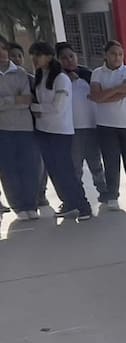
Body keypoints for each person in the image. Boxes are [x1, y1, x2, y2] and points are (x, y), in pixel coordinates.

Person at [29, 42, 92, 220]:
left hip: (60, 132)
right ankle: (69, 202)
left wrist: (33, 106)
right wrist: (38, 109)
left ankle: (83, 206)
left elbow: (58, 106)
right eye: (33, 55)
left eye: (37, 55)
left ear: (48, 56)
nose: (34, 59)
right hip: (43, 130)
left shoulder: (61, 78)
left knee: (66, 171)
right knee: (54, 171)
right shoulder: (40, 75)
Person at [90, 40, 126, 208]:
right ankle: (112, 196)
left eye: (120, 54)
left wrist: (105, 95)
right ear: (106, 55)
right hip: (105, 125)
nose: (117, 57)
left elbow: (124, 91)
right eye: (113, 54)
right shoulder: (97, 73)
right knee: (110, 161)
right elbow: (96, 95)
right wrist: (115, 91)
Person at [56, 42, 110, 205]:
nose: (69, 60)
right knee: (75, 167)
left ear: (76, 56)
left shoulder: (88, 75)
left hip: (92, 127)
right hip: (72, 129)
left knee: (96, 163)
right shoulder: (58, 78)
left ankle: (104, 191)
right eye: (64, 58)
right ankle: (79, 197)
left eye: (71, 56)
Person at [0, 35, 38, 220]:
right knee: (8, 170)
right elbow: (19, 100)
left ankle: (31, 204)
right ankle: (18, 206)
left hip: (24, 128)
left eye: (2, 48)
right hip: (3, 129)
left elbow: (26, 100)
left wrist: (5, 101)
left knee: (29, 168)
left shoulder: (21, 73)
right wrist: (14, 99)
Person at [9, 41, 49, 208]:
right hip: (11, 127)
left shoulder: (32, 79)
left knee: (39, 164)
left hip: (34, 126)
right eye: (13, 56)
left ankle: (40, 194)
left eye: (19, 56)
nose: (17, 59)